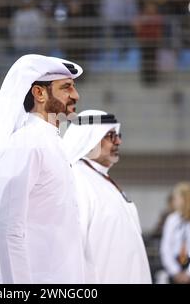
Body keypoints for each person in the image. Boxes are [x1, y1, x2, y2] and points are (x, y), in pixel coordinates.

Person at [0, 54, 85, 283]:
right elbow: (9, 228)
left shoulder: (53, 142)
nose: (76, 95)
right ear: (39, 93)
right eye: (67, 87)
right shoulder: (26, 143)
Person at [63, 110, 151, 284]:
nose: (118, 141)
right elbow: (70, 249)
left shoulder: (99, 179)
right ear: (90, 139)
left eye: (117, 135)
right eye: (110, 135)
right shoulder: (76, 181)